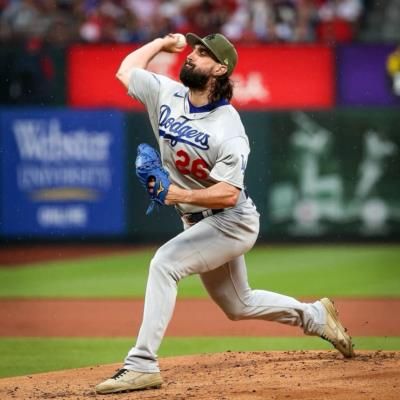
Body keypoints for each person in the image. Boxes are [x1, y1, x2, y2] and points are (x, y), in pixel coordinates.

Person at [95, 32, 354, 394]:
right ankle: (314, 315)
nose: (192, 55)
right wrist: (160, 43)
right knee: (238, 303)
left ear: (220, 68)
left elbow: (229, 194)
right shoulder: (166, 93)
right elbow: (126, 71)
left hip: (232, 222)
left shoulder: (228, 128)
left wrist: (176, 194)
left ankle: (141, 364)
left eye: (202, 53)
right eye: (194, 49)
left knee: (164, 264)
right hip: (197, 220)